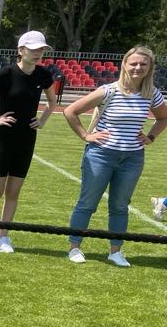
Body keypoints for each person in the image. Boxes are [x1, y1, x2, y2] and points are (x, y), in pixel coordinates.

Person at [63, 45, 167, 266]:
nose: (138, 67)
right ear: (125, 65)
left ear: (150, 68)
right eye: (134, 63)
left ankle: (116, 252)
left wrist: (150, 137)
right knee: (87, 203)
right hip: (101, 155)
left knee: (120, 206)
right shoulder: (108, 90)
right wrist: (86, 135)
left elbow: (163, 118)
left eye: (143, 64)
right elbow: (70, 111)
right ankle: (74, 248)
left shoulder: (152, 94)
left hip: (132, 158)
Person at [0, 30, 57, 253]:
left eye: (41, 49)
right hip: (3, 140)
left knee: (13, 193)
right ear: (21, 50)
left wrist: (42, 121)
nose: (38, 53)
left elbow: (52, 102)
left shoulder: (43, 75)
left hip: (27, 139)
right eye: (34, 49)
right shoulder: (6, 73)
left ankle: (4, 236)